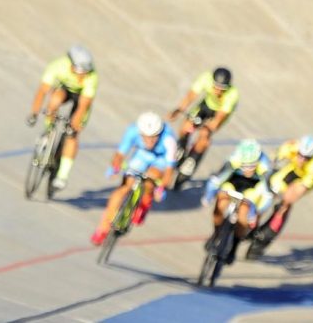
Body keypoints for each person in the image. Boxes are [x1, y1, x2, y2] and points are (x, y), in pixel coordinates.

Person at [90, 111, 177, 246]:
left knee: (151, 178)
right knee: (125, 186)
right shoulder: (132, 131)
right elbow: (120, 153)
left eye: (154, 137)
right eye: (146, 137)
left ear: (159, 133)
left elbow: (169, 170)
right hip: (141, 156)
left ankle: (145, 201)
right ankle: (102, 228)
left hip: (160, 160)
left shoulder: (169, 140)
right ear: (140, 133)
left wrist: (161, 187)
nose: (149, 141)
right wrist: (116, 166)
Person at [26, 46, 98, 191]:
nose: (81, 76)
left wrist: (75, 124)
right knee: (54, 100)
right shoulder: (57, 66)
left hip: (81, 97)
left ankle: (62, 175)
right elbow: (42, 91)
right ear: (71, 64)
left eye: (85, 73)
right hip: (63, 89)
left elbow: (83, 105)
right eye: (79, 72)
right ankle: (48, 131)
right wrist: (34, 113)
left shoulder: (92, 77)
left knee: (73, 134)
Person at [246, 135, 313, 260]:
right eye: (300, 155)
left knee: (285, 205)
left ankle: (265, 238)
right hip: (291, 170)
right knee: (268, 187)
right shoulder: (293, 146)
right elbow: (275, 157)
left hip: (303, 180)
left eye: (306, 158)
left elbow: (301, 188)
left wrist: (285, 199)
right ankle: (253, 220)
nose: (302, 159)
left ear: (312, 156)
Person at [201, 139, 271, 265]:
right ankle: (216, 234)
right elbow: (216, 180)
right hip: (234, 182)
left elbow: (267, 196)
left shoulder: (265, 166)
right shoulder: (234, 160)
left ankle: (234, 247)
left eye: (252, 166)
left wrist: (257, 213)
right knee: (221, 201)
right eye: (245, 166)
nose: (248, 169)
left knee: (244, 212)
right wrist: (208, 197)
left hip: (253, 187)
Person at [167, 67, 239, 179]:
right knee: (186, 125)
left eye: (222, 89)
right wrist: (179, 110)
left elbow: (219, 117)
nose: (219, 91)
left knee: (204, 135)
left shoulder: (232, 94)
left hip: (219, 113)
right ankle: (182, 146)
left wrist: (208, 128)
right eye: (216, 87)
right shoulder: (205, 78)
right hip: (206, 106)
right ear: (212, 82)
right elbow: (191, 96)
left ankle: (192, 159)